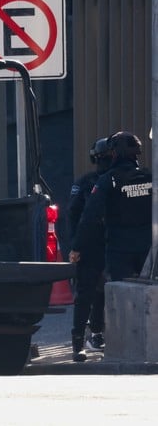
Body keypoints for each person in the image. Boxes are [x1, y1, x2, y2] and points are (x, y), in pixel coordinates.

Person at [74, 131, 153, 355]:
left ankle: (124, 347)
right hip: (149, 249)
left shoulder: (108, 180)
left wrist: (78, 246)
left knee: (121, 297)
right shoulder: (149, 177)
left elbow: (89, 216)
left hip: (120, 249)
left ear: (115, 154)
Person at [67, 137, 112, 362]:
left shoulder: (89, 181)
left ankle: (85, 339)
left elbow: (73, 215)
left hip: (94, 245)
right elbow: (75, 215)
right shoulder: (89, 182)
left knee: (90, 293)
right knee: (95, 292)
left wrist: (76, 245)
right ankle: (90, 336)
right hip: (104, 244)